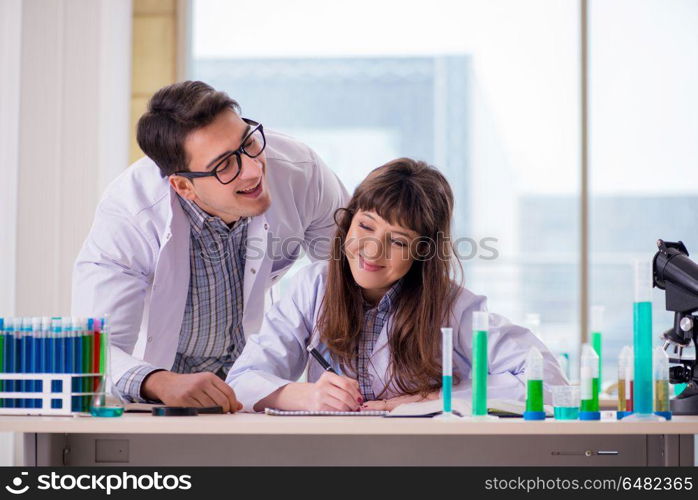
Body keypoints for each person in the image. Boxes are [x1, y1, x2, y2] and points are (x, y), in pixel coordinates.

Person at [72, 81, 348, 412]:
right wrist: (158, 381)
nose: (252, 169)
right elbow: (94, 349)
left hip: (256, 381)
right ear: (183, 186)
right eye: (224, 165)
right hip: (164, 386)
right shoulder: (130, 215)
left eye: (248, 142)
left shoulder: (299, 171)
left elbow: (355, 275)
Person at [227, 158, 567, 412]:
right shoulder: (313, 287)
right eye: (366, 226)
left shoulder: (455, 308)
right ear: (347, 223)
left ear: (422, 252)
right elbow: (242, 381)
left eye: (399, 242)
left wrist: (431, 399)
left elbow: (548, 380)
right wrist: (305, 395)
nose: (373, 250)